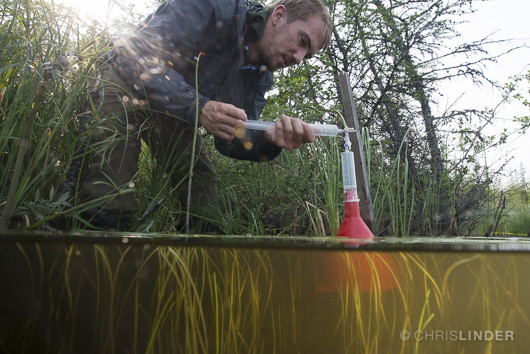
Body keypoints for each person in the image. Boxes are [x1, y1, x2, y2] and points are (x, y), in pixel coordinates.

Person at [80, 0, 332, 231]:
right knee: (112, 188)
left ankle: (192, 272)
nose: (299, 58)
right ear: (278, 15)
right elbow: (135, 55)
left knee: (203, 198)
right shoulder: (214, 6)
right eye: (302, 40)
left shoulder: (261, 74)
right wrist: (199, 107)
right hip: (122, 77)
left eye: (307, 55)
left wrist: (268, 139)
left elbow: (232, 139)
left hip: (171, 105)